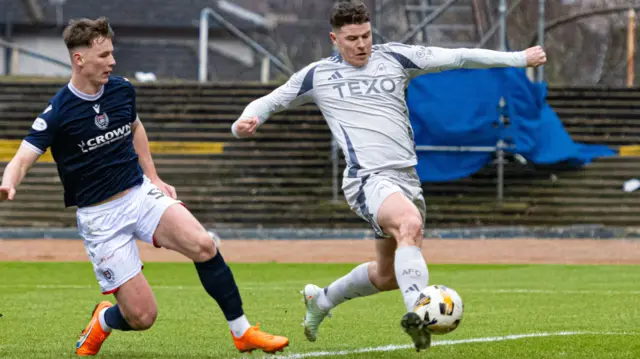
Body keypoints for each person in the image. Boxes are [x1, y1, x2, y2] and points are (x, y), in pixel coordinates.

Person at [230, 0, 546, 352]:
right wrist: (245, 120)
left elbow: (457, 56)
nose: (361, 44)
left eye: (366, 35)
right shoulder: (316, 75)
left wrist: (519, 58)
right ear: (335, 38)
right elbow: (269, 101)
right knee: (409, 224)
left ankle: (320, 301)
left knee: (387, 275)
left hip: (406, 178)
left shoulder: (395, 57)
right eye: (352, 38)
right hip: (367, 178)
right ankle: (417, 313)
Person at [0, 17, 288, 356]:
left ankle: (242, 332)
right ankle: (105, 320)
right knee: (142, 316)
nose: (112, 61)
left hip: (139, 194)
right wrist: (8, 183)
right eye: (104, 55)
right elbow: (22, 157)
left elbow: (135, 128)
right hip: (100, 217)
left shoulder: (122, 89)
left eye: (112, 53)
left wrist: (153, 176)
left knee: (203, 244)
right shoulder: (58, 112)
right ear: (79, 60)